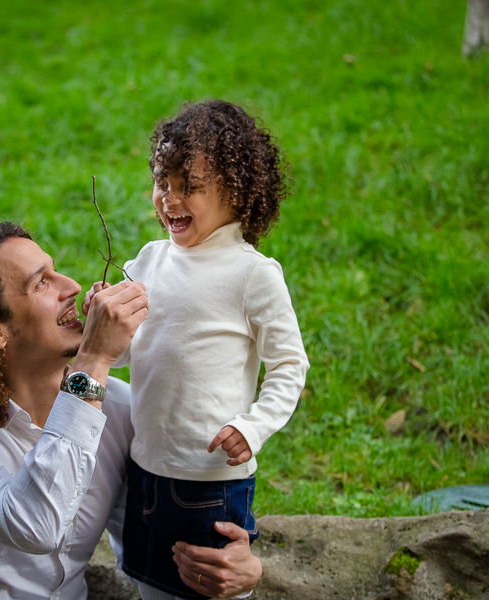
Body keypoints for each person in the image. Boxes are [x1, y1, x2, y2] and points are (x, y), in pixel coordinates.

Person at [0, 221, 262, 599]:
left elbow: (152, 541)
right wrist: (96, 358)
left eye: (55, 271)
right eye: (41, 283)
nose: (71, 286)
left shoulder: (120, 409)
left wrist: (236, 568)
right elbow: (33, 525)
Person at [83, 100, 310, 600]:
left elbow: (290, 366)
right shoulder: (149, 260)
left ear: (238, 193)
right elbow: (125, 351)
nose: (169, 199)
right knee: (149, 582)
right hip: (145, 469)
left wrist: (253, 426)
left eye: (190, 187)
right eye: (164, 182)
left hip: (209, 483)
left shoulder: (253, 275)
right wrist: (98, 324)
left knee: (208, 586)